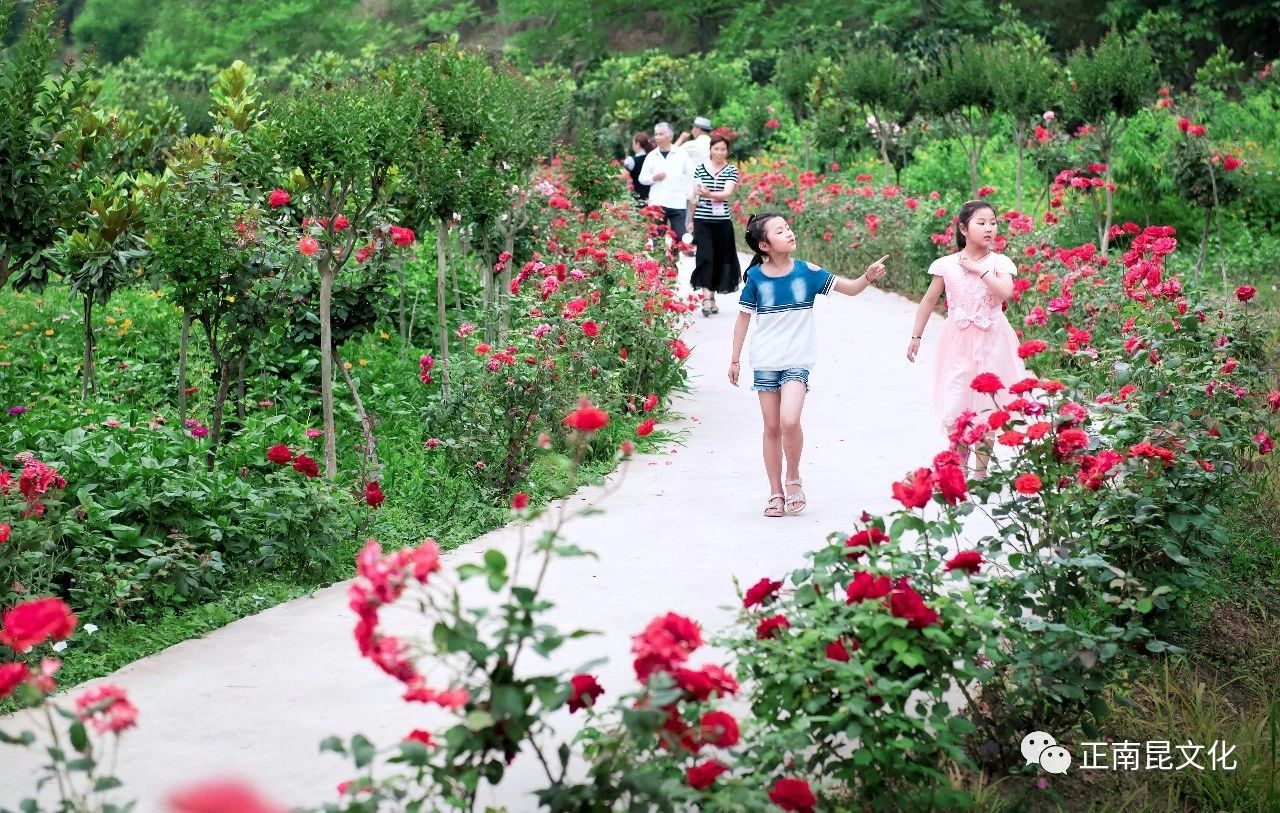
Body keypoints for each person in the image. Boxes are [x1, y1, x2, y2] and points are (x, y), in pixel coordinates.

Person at [730, 213, 889, 517]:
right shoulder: (756, 278)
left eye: (788, 228)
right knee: (772, 427)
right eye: (780, 231)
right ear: (764, 245)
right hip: (765, 360)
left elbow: (850, 288)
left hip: (797, 359)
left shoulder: (808, 272)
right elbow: (743, 318)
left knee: (789, 420)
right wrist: (735, 358)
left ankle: (793, 479)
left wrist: (867, 276)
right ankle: (775, 492)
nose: (789, 233)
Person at [906, 199, 1028, 479]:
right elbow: (928, 300)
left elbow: (1006, 293)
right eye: (981, 223)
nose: (989, 228)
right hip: (957, 342)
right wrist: (916, 335)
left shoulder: (999, 262)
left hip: (992, 341)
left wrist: (980, 270)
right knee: (954, 403)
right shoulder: (946, 265)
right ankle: (959, 469)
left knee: (987, 404)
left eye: (993, 223)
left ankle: (980, 475)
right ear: (963, 228)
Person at [686, 134, 741, 316]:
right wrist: (690, 220)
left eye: (723, 149)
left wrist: (709, 195)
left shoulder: (731, 170)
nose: (719, 152)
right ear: (710, 149)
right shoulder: (700, 169)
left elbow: (727, 193)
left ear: (727, 151)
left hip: (722, 221)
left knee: (718, 259)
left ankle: (712, 296)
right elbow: (694, 196)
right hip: (702, 220)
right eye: (716, 148)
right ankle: (706, 298)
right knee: (705, 257)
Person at [638, 122, 693, 240]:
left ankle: (675, 253)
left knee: (679, 238)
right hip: (657, 203)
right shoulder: (651, 156)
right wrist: (653, 178)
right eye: (656, 134)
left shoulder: (682, 155)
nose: (657, 137)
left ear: (670, 136)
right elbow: (642, 178)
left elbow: (691, 176)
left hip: (677, 203)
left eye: (661, 134)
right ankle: (658, 253)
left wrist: (690, 196)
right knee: (656, 238)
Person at [622, 132, 654, 204]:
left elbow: (624, 178)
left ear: (638, 144)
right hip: (653, 196)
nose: (632, 145)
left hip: (637, 199)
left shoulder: (631, 160)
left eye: (633, 143)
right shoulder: (653, 158)